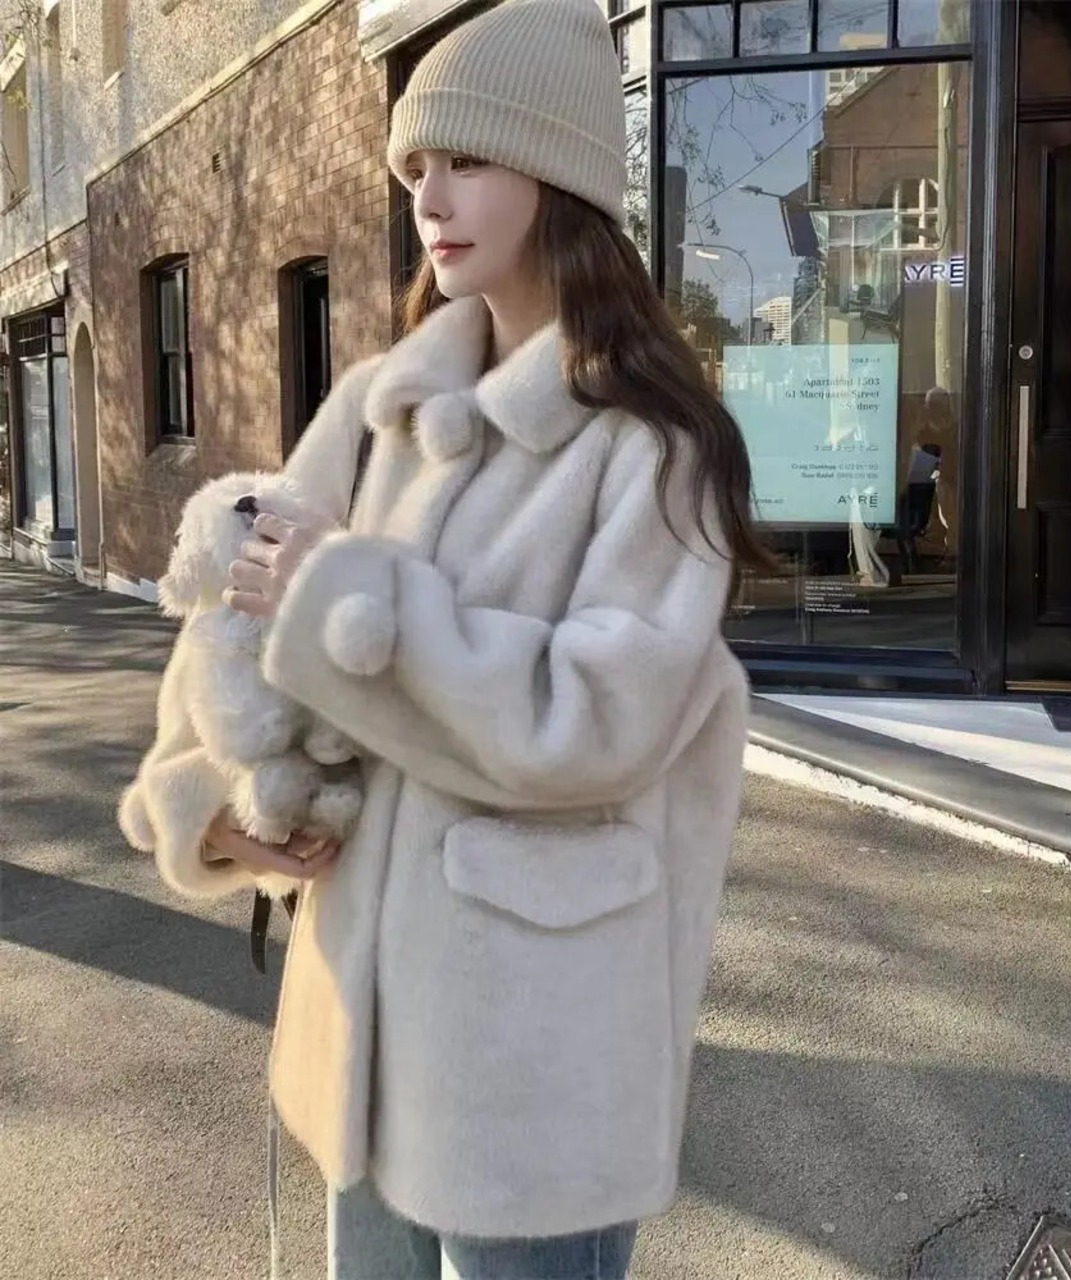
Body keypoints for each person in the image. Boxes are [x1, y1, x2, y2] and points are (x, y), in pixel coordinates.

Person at [118, 0, 774, 1276]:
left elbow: (593, 723)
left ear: (559, 174)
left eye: (467, 158)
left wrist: (351, 601)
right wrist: (211, 807)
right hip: (358, 1020)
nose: (428, 196)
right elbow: (232, 627)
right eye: (415, 165)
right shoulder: (377, 408)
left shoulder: (651, 447)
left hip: (532, 1050)